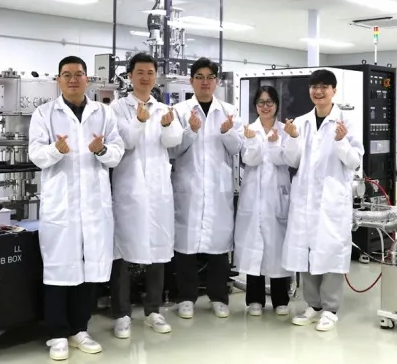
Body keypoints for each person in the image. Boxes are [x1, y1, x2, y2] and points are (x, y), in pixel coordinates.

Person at [28, 56, 125, 361]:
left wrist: (102, 149)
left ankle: (80, 329)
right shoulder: (44, 113)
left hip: (94, 205)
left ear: (87, 79)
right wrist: (55, 150)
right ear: (58, 80)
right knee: (59, 269)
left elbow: (117, 153)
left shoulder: (104, 113)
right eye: (67, 74)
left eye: (78, 74)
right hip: (62, 206)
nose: (73, 79)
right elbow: (35, 155)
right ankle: (58, 333)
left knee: (89, 268)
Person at [280, 69, 364, 332]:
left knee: (331, 252)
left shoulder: (346, 122)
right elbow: (292, 160)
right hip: (305, 200)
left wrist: (341, 141)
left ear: (333, 91)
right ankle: (313, 306)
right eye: (314, 87)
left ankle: (330, 309)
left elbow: (355, 161)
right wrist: (293, 138)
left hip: (331, 200)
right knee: (307, 253)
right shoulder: (302, 122)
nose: (318, 91)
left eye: (324, 87)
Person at [108, 53, 183, 339]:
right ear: (130, 76)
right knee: (122, 252)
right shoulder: (117, 108)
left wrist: (166, 125)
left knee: (158, 249)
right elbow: (125, 141)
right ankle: (122, 314)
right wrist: (139, 122)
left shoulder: (164, 108)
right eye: (139, 72)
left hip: (158, 190)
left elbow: (173, 142)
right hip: (129, 189)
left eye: (150, 72)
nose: (145, 77)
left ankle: (153, 310)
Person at [168, 57, 244, 319]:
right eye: (199, 77)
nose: (205, 82)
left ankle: (219, 297)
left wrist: (227, 132)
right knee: (185, 248)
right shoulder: (179, 111)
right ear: (191, 81)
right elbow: (172, 150)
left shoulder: (229, 111)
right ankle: (186, 298)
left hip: (218, 188)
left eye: (210, 77)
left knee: (219, 248)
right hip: (188, 187)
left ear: (217, 82)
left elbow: (238, 148)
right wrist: (190, 131)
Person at [234, 86, 292, 317]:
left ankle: (281, 299)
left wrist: (275, 143)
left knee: (277, 249)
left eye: (269, 102)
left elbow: (287, 159)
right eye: (261, 102)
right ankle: (254, 299)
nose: (265, 106)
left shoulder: (286, 130)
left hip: (277, 197)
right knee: (254, 248)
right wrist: (252, 141)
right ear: (255, 106)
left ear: (276, 104)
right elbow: (249, 160)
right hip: (254, 198)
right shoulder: (249, 130)